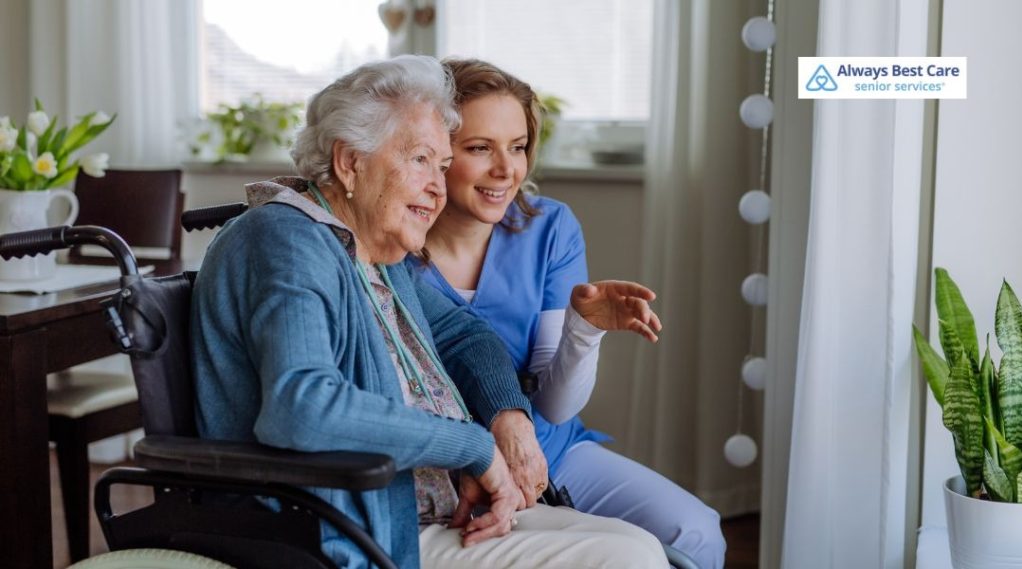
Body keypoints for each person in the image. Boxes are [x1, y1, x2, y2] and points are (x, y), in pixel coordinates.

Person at [190, 55, 667, 569]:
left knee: (641, 545)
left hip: (418, 512)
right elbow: (301, 408)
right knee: (626, 558)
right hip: (344, 530)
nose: (438, 188)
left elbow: (465, 335)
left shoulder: (371, 248)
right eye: (420, 160)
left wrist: (507, 415)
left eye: (442, 166)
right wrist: (472, 449)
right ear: (350, 163)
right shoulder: (287, 240)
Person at [408, 57, 727, 568]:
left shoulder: (548, 229)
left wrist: (586, 329)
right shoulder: (392, 243)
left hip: (549, 450)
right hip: (445, 469)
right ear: (434, 153)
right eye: (479, 148)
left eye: (517, 147)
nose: (506, 170)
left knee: (696, 533)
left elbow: (556, 408)